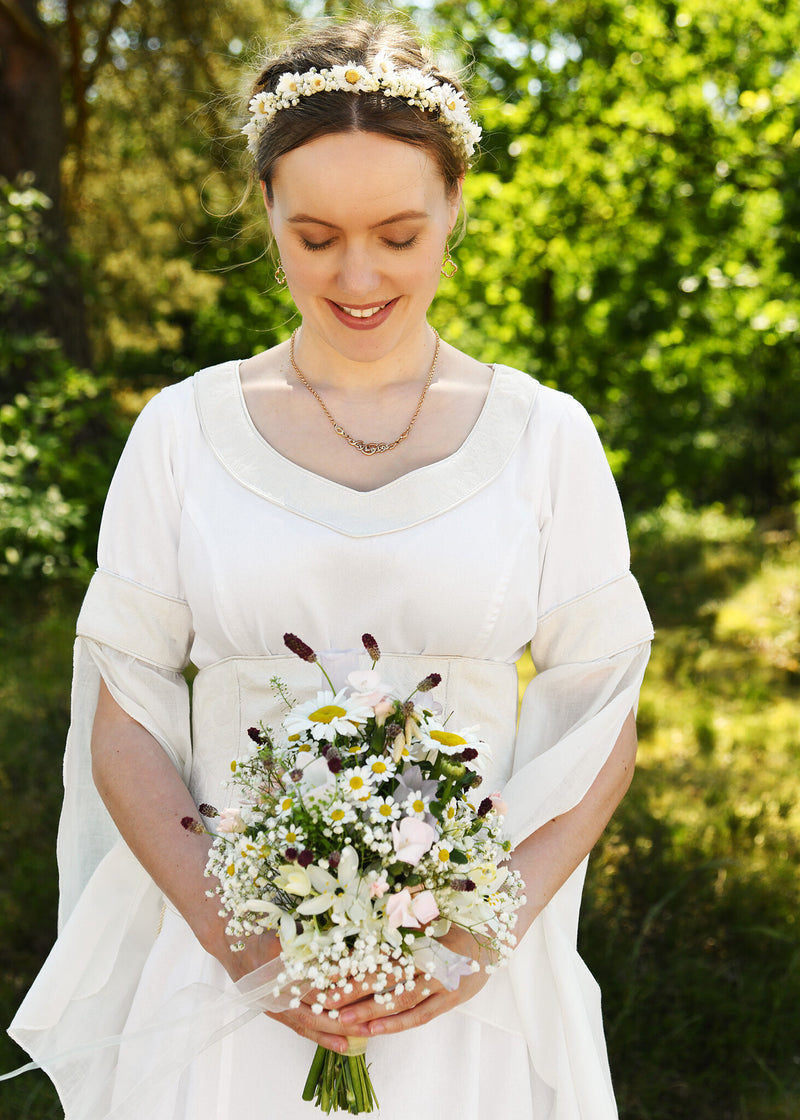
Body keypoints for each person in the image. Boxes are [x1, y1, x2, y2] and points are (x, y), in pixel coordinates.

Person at [8, 17, 653, 1120]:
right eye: (315, 237)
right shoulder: (180, 433)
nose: (358, 277)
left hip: (468, 1001)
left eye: (399, 235)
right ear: (265, 207)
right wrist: (247, 947)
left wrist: (473, 939)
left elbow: (601, 714)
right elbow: (125, 710)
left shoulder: (546, 438)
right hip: (229, 991)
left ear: (455, 203)